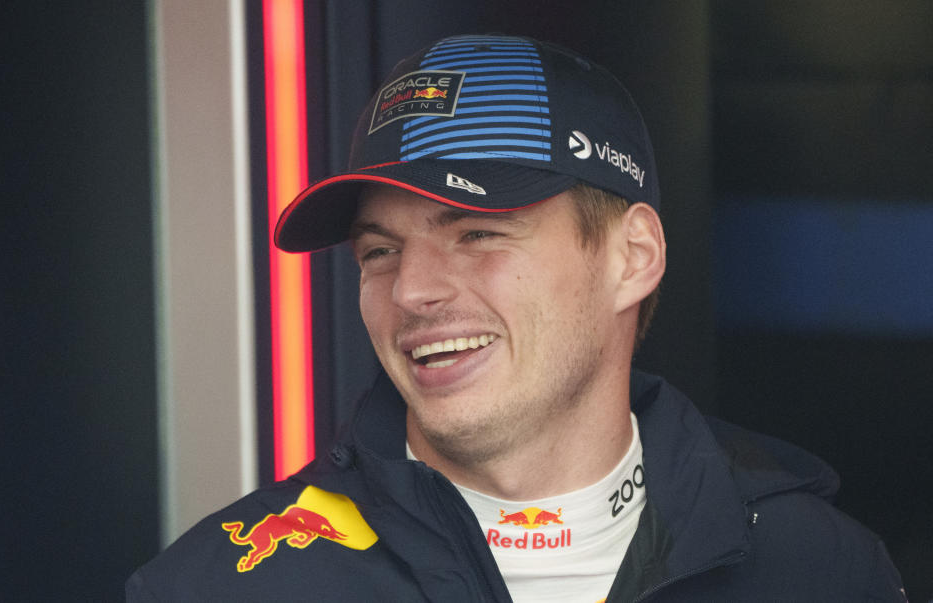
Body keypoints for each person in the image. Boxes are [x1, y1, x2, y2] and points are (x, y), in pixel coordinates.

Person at [127, 34, 906, 602]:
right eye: (378, 251)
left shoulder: (822, 569)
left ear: (631, 257)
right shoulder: (217, 586)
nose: (411, 292)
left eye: (478, 233)